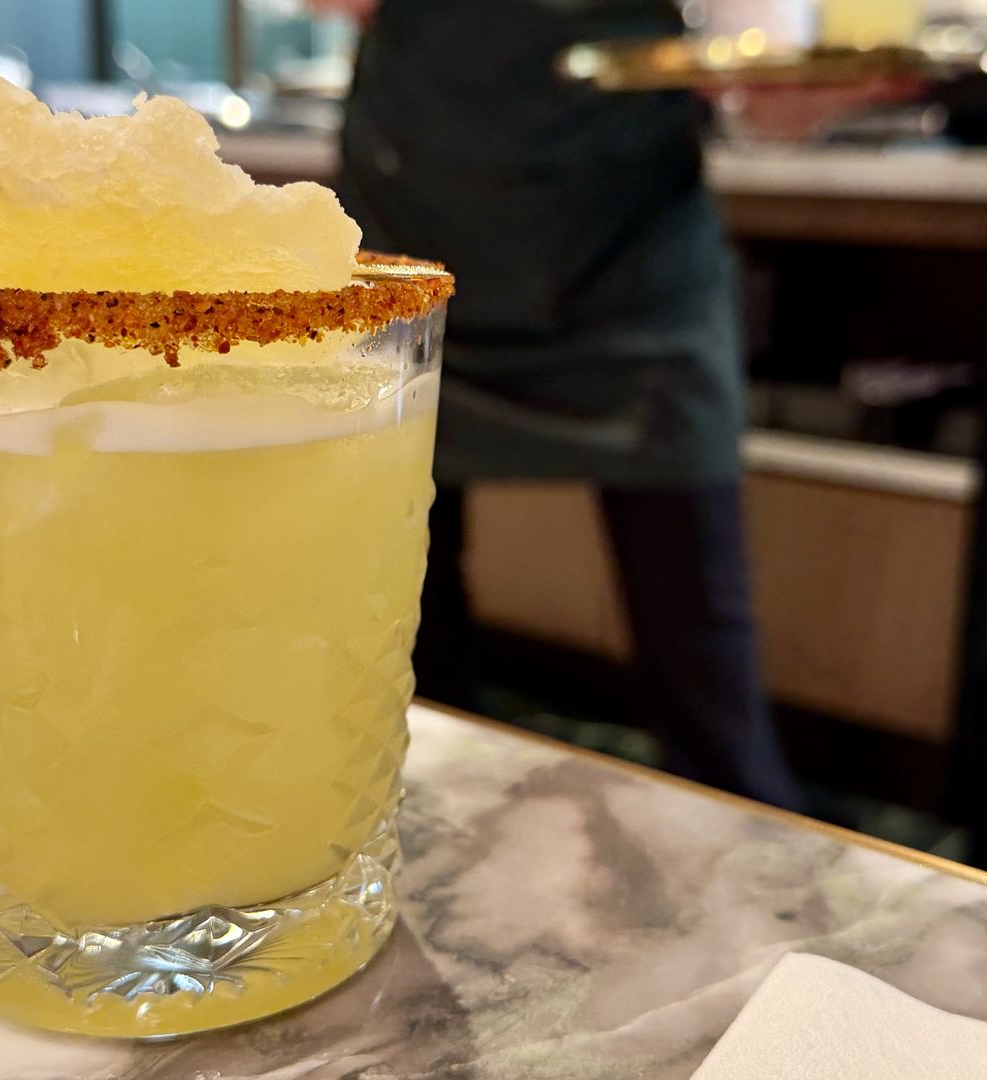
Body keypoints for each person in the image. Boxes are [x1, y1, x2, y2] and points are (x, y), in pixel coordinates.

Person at [325, 0, 803, 809]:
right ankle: (415, 839)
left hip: (632, 262)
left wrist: (785, 83)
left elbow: (761, 61)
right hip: (421, 235)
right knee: (406, 639)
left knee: (704, 666)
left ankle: (760, 875)